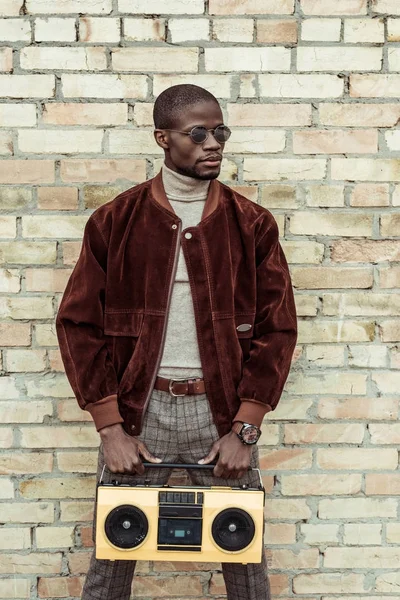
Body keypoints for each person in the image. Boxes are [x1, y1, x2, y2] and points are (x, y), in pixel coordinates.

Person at [55, 84, 298, 600]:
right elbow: (78, 325)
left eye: (220, 131)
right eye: (198, 133)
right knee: (111, 566)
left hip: (222, 415)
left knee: (245, 566)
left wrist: (246, 428)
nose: (214, 143)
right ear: (163, 138)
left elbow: (277, 329)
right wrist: (110, 429)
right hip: (140, 413)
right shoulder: (115, 221)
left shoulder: (251, 223)